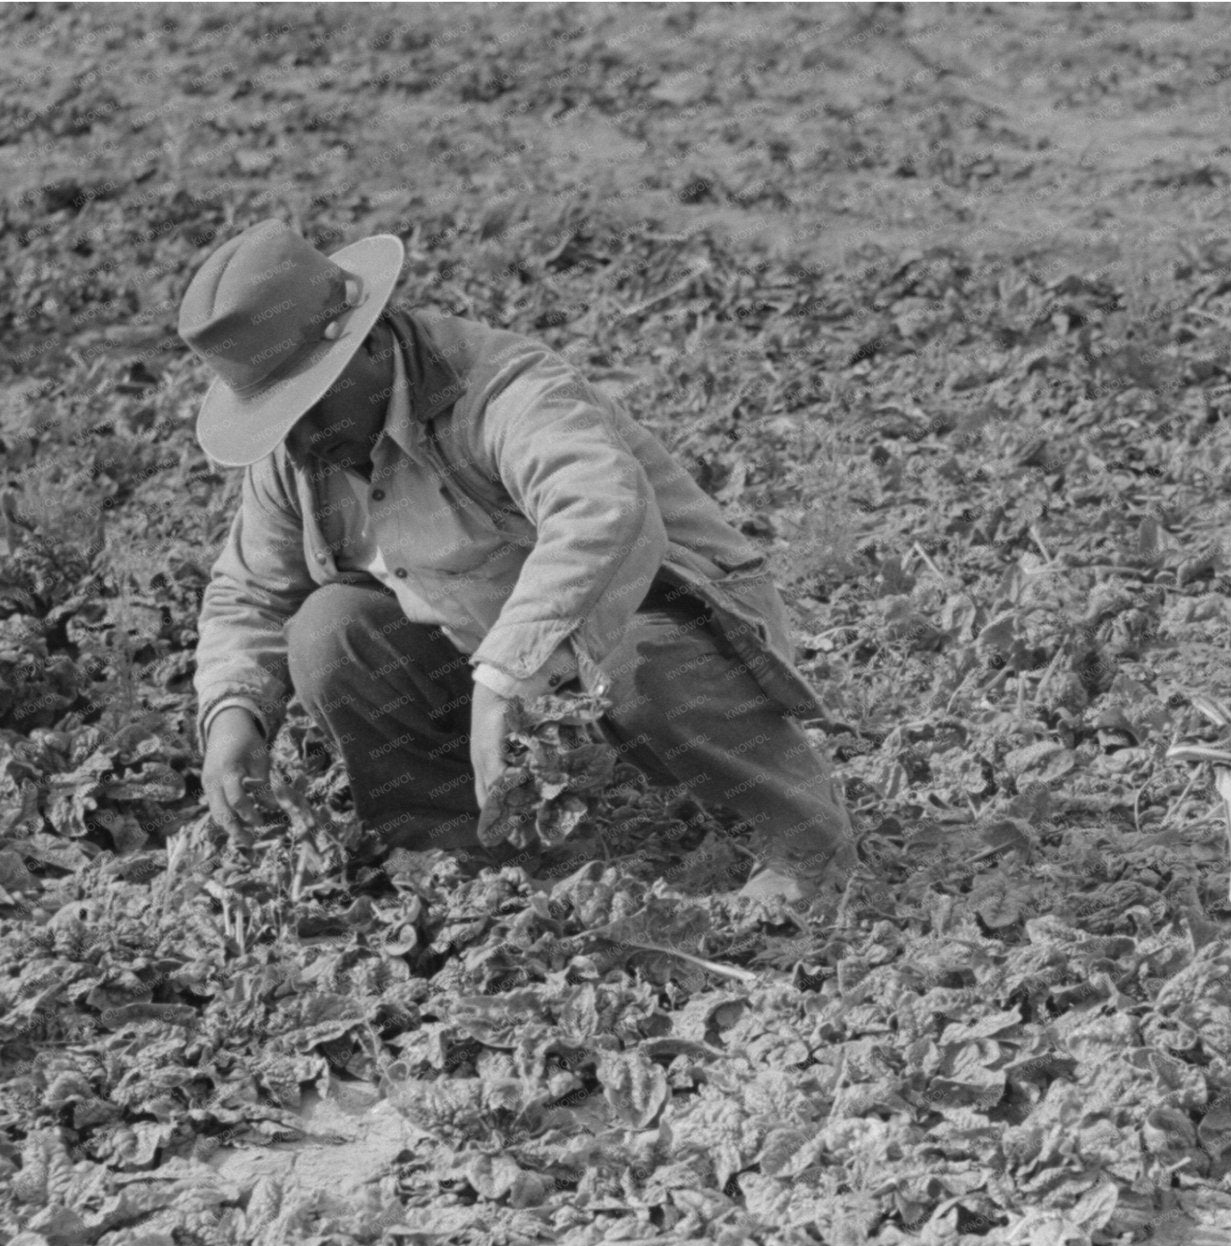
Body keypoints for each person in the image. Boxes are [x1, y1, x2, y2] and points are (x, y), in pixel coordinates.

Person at [182, 219, 855, 908]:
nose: (299, 439)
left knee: (631, 657)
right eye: (279, 414)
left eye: (308, 402)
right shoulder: (300, 454)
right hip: (474, 638)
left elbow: (601, 509)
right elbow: (250, 593)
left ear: (372, 343)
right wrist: (234, 716)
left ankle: (803, 845)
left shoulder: (500, 386)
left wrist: (508, 670)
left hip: (656, 609)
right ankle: (457, 855)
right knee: (330, 630)